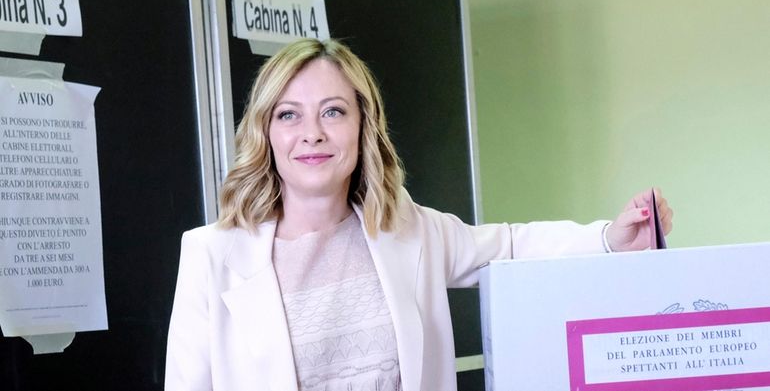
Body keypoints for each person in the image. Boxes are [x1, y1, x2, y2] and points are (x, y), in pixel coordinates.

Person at [165, 38, 673, 391]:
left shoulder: (407, 230)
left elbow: (513, 245)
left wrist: (610, 238)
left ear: (363, 126)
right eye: (288, 114)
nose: (312, 132)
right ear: (267, 132)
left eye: (333, 111)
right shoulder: (212, 254)